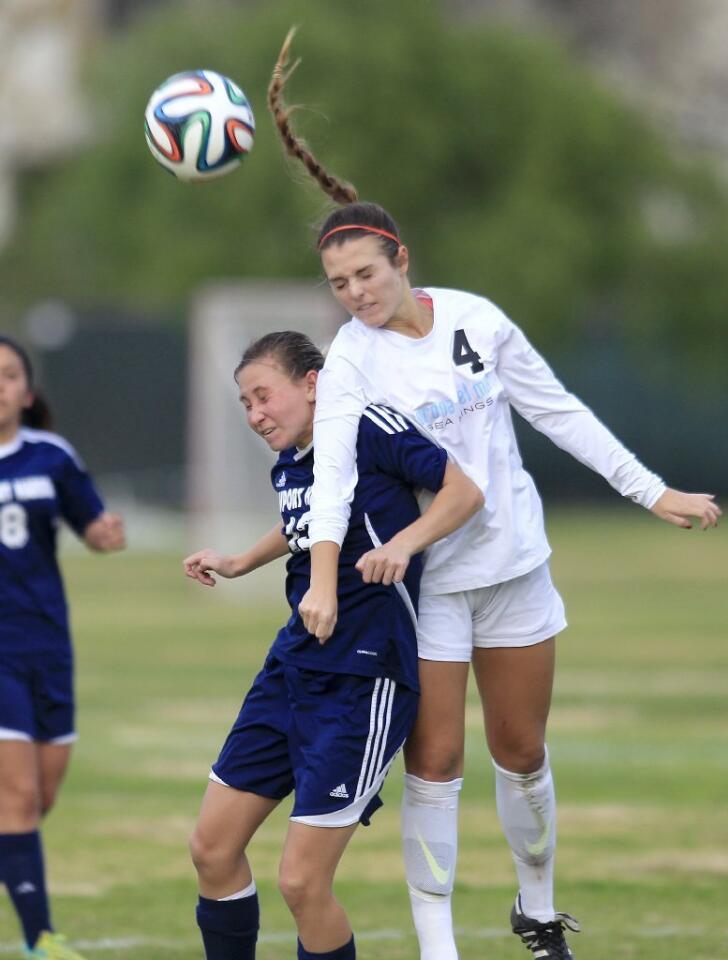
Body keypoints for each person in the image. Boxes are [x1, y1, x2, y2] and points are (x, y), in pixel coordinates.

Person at [267, 30, 723, 960]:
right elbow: (335, 475)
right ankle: (441, 948)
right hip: (426, 585)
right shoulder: (350, 362)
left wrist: (652, 491)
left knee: (521, 752)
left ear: (399, 258)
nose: (353, 293)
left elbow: (559, 412)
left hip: (514, 566)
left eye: (365, 273)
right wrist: (320, 577)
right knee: (435, 763)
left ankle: (536, 906)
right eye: (337, 282)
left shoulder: (478, 319)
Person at [183, 331, 483, 960]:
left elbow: (463, 493)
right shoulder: (293, 457)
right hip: (295, 663)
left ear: (313, 382)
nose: (255, 414)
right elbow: (307, 521)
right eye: (245, 404)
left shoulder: (371, 426)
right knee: (212, 848)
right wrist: (241, 561)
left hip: (364, 677)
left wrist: (403, 544)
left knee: (301, 881)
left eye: (264, 396)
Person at [0, 336, 126, 960]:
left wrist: (106, 534)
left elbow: (94, 528)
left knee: (36, 799)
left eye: (9, 375)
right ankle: (39, 939)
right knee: (16, 796)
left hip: (47, 647)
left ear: (27, 390)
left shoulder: (51, 456)